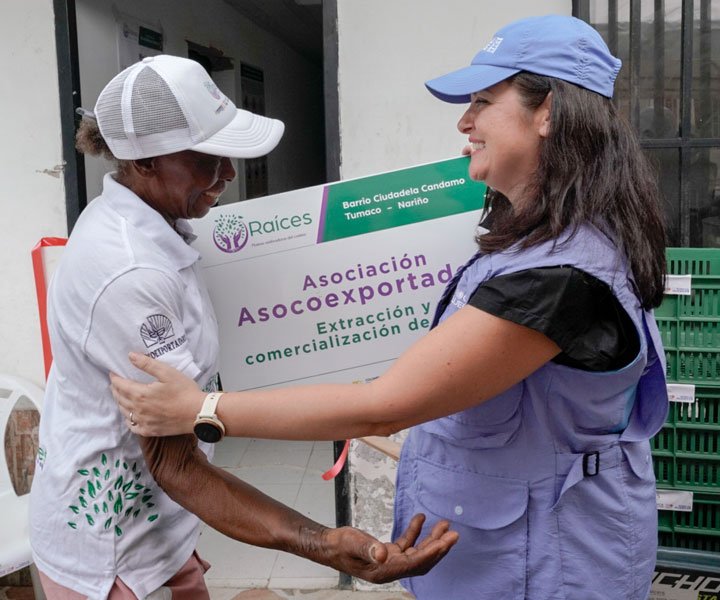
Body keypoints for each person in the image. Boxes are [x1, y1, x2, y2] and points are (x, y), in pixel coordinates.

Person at [110, 15, 669, 600]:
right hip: (512, 548)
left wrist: (199, 408)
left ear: (548, 111)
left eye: (482, 101)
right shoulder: (548, 239)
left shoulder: (557, 277)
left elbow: (382, 407)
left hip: (544, 566)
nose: (464, 121)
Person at [28, 54, 458, 600]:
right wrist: (321, 542)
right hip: (111, 556)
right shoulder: (128, 271)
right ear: (143, 162)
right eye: (208, 157)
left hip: (159, 526)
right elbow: (175, 464)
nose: (228, 174)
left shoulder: (158, 220)